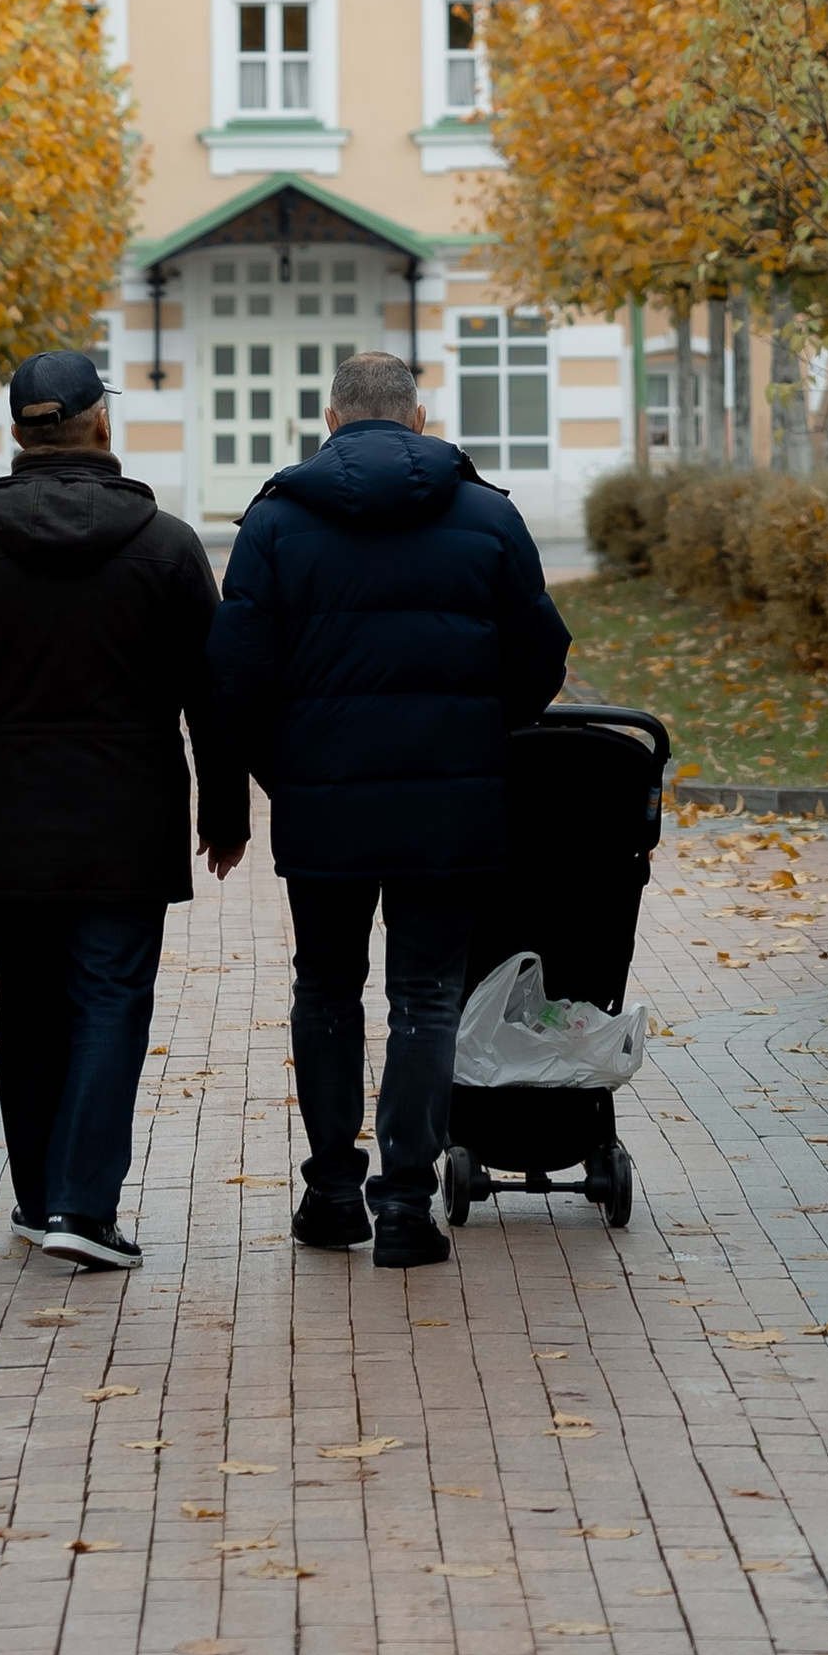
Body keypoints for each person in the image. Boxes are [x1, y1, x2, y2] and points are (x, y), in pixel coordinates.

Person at [0, 348, 249, 1274]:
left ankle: (43, 1199)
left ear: (19, 434)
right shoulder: (165, 546)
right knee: (110, 1002)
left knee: (30, 1007)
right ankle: (83, 1206)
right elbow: (214, 693)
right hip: (128, 824)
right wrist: (226, 808)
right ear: (99, 424)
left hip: (9, 826)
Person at [206, 345, 568, 1268]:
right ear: (416, 419)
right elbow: (540, 660)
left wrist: (263, 787)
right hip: (450, 808)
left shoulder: (276, 523)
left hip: (323, 808)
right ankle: (406, 1206)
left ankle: (331, 1195)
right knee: (427, 996)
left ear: (330, 421)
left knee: (324, 988)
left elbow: (235, 681)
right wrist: (480, 737)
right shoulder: (488, 517)